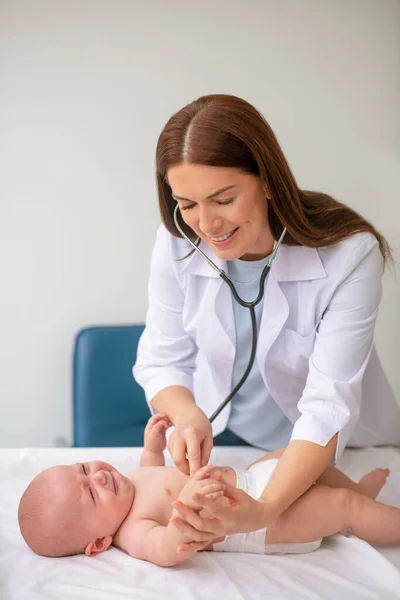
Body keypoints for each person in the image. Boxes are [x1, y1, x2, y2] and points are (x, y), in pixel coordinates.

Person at [133, 93, 400, 541]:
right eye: (187, 203)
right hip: (231, 439)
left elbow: (327, 405)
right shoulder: (177, 241)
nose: (207, 224)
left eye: (224, 199)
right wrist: (187, 415)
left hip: (327, 446)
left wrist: (266, 509)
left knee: (343, 506)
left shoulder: (350, 255)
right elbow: (163, 359)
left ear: (269, 181)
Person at [18, 415, 399, 567]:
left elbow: (154, 473)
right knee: (340, 505)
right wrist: (182, 525)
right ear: (99, 542)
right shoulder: (131, 531)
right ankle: (369, 511)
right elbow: (164, 550)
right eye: (90, 494)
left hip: (253, 479)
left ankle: (359, 489)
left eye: (84, 469)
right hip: (262, 526)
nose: (98, 478)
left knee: (310, 460)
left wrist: (152, 448)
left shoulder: (129, 485)